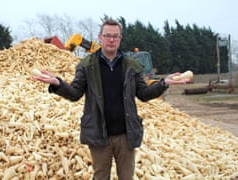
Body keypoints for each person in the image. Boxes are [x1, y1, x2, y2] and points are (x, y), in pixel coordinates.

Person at [32, 19, 189, 180]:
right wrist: (58, 83)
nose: (111, 39)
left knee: (127, 177)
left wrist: (164, 83)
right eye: (108, 35)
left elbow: (143, 93)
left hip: (126, 135)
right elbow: (74, 93)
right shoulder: (87, 65)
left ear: (120, 38)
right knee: (100, 176)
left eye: (115, 36)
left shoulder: (132, 65)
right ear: (100, 37)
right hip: (99, 134)